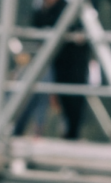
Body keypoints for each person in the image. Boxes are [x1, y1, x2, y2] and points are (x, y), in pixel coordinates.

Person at [28, 0, 94, 139]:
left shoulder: (65, 9)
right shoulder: (44, 10)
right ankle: (39, 129)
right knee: (46, 93)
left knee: (72, 99)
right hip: (55, 62)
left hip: (72, 62)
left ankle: (71, 134)